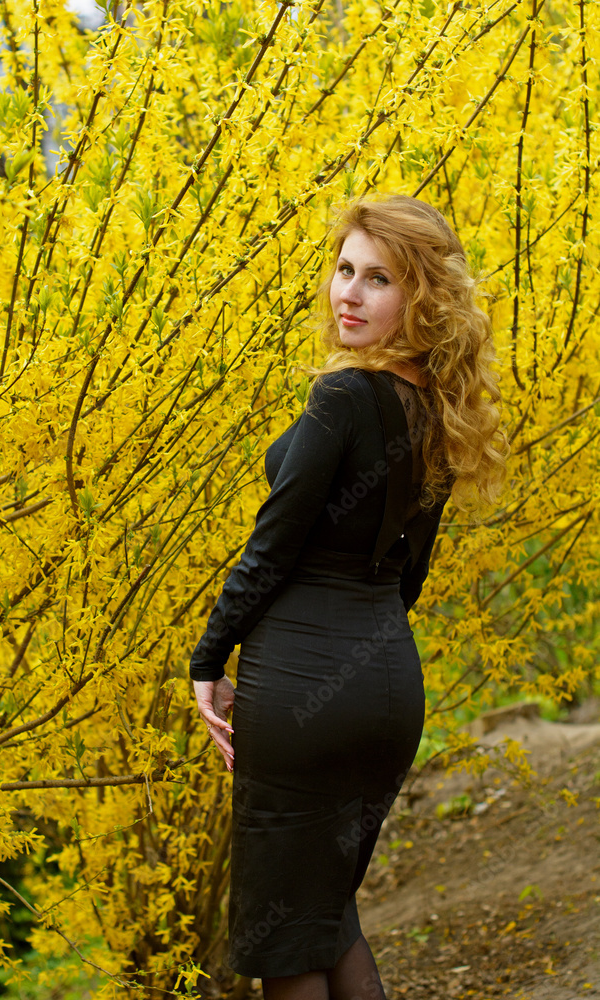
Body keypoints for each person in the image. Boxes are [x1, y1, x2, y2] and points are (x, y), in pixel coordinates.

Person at [190, 195, 507, 1000]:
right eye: (343, 270)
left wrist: (207, 662)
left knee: (286, 943)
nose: (349, 294)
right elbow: (409, 573)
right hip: (386, 689)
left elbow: (271, 548)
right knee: (326, 917)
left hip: (299, 690)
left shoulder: (342, 399)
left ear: (421, 299)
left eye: (378, 279)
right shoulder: (434, 408)